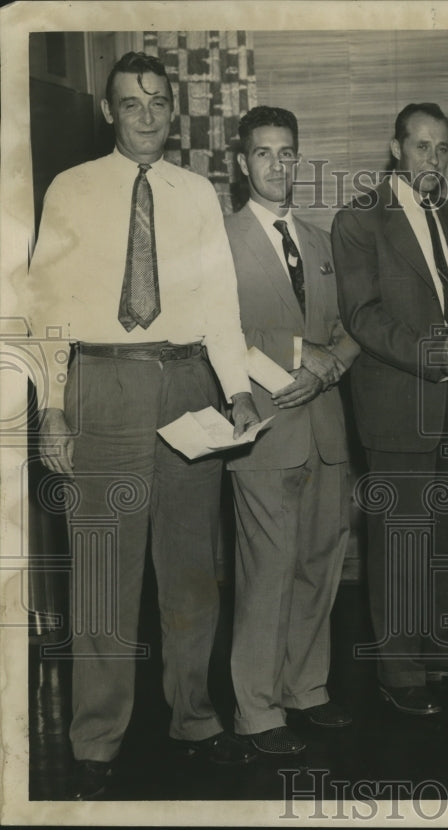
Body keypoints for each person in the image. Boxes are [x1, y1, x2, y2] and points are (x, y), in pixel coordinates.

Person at [23, 52, 261, 799]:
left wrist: (238, 388)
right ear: (109, 110)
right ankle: (95, 738)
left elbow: (220, 300)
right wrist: (54, 407)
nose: (149, 115)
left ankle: (193, 715)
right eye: (133, 103)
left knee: (190, 570)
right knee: (103, 573)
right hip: (105, 384)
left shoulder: (196, 193)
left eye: (159, 101)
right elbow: (46, 310)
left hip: (189, 383)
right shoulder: (70, 189)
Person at [331, 103, 448, 716]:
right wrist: (438, 353)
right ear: (395, 148)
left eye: (442, 149)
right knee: (402, 541)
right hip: (400, 400)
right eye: (421, 147)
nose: (432, 160)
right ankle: (400, 670)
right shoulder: (360, 220)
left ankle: (445, 648)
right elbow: (363, 315)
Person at [224, 106, 360, 755]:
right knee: (266, 575)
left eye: (287, 153)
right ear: (241, 162)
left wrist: (328, 371)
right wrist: (306, 358)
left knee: (317, 567)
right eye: (263, 153)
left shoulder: (320, 239)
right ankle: (258, 711)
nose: (277, 165)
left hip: (326, 430)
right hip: (266, 430)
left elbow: (351, 332)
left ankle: (307, 688)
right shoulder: (222, 242)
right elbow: (221, 337)